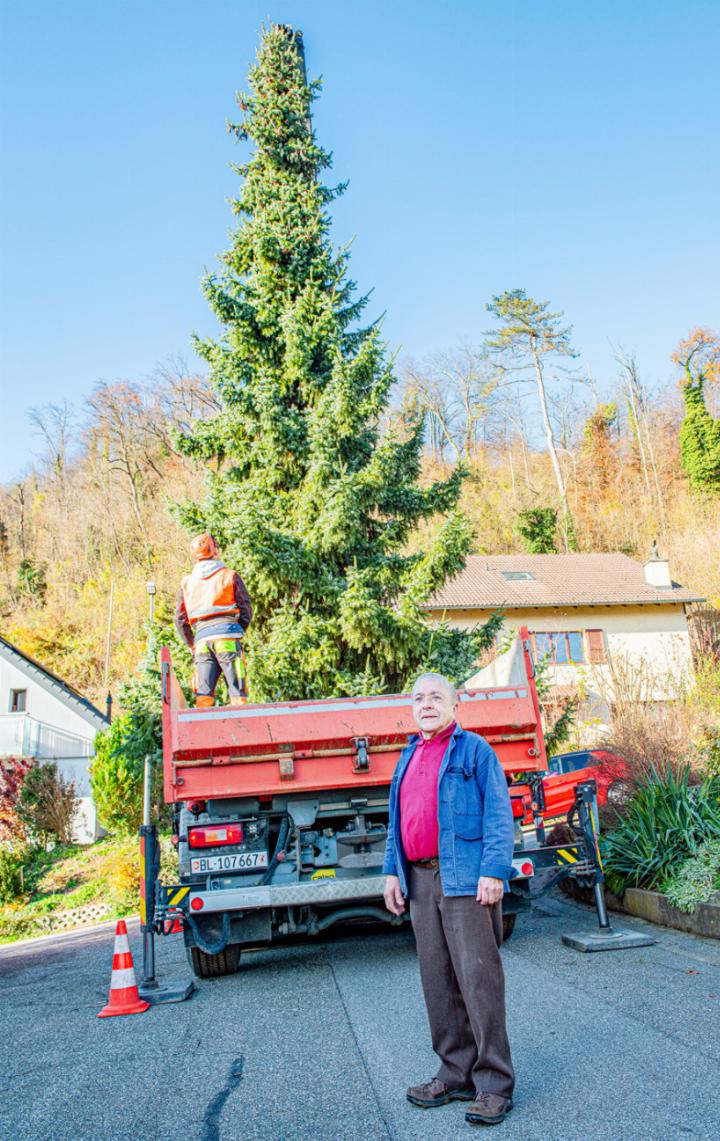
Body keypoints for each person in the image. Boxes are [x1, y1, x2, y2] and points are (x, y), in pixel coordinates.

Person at [383, 672, 515, 1128]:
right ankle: (455, 1072)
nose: (426, 704)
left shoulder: (474, 751)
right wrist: (391, 873)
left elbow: (499, 813)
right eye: (418, 698)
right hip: (419, 880)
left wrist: (494, 871)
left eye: (436, 697)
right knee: (437, 981)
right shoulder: (407, 755)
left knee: (479, 982)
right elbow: (396, 821)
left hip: (465, 879)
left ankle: (494, 1084)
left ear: (454, 706)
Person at [174, 533, 252, 708]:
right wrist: (235, 630)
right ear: (215, 551)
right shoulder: (229, 576)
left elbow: (179, 619)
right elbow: (246, 610)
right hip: (228, 640)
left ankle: (203, 732)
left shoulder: (187, 583)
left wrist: (191, 644)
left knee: (204, 696)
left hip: (202, 643)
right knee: (237, 694)